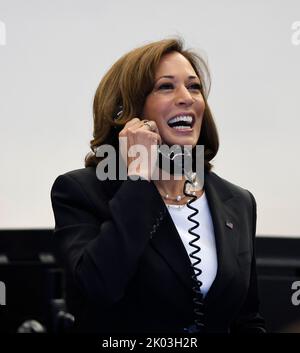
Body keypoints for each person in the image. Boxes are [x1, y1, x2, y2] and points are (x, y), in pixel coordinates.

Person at [51, 38, 266, 333]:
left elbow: (247, 320)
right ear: (124, 112)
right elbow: (99, 288)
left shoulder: (238, 202)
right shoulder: (80, 191)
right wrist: (139, 177)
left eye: (194, 87)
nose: (187, 97)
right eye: (166, 86)